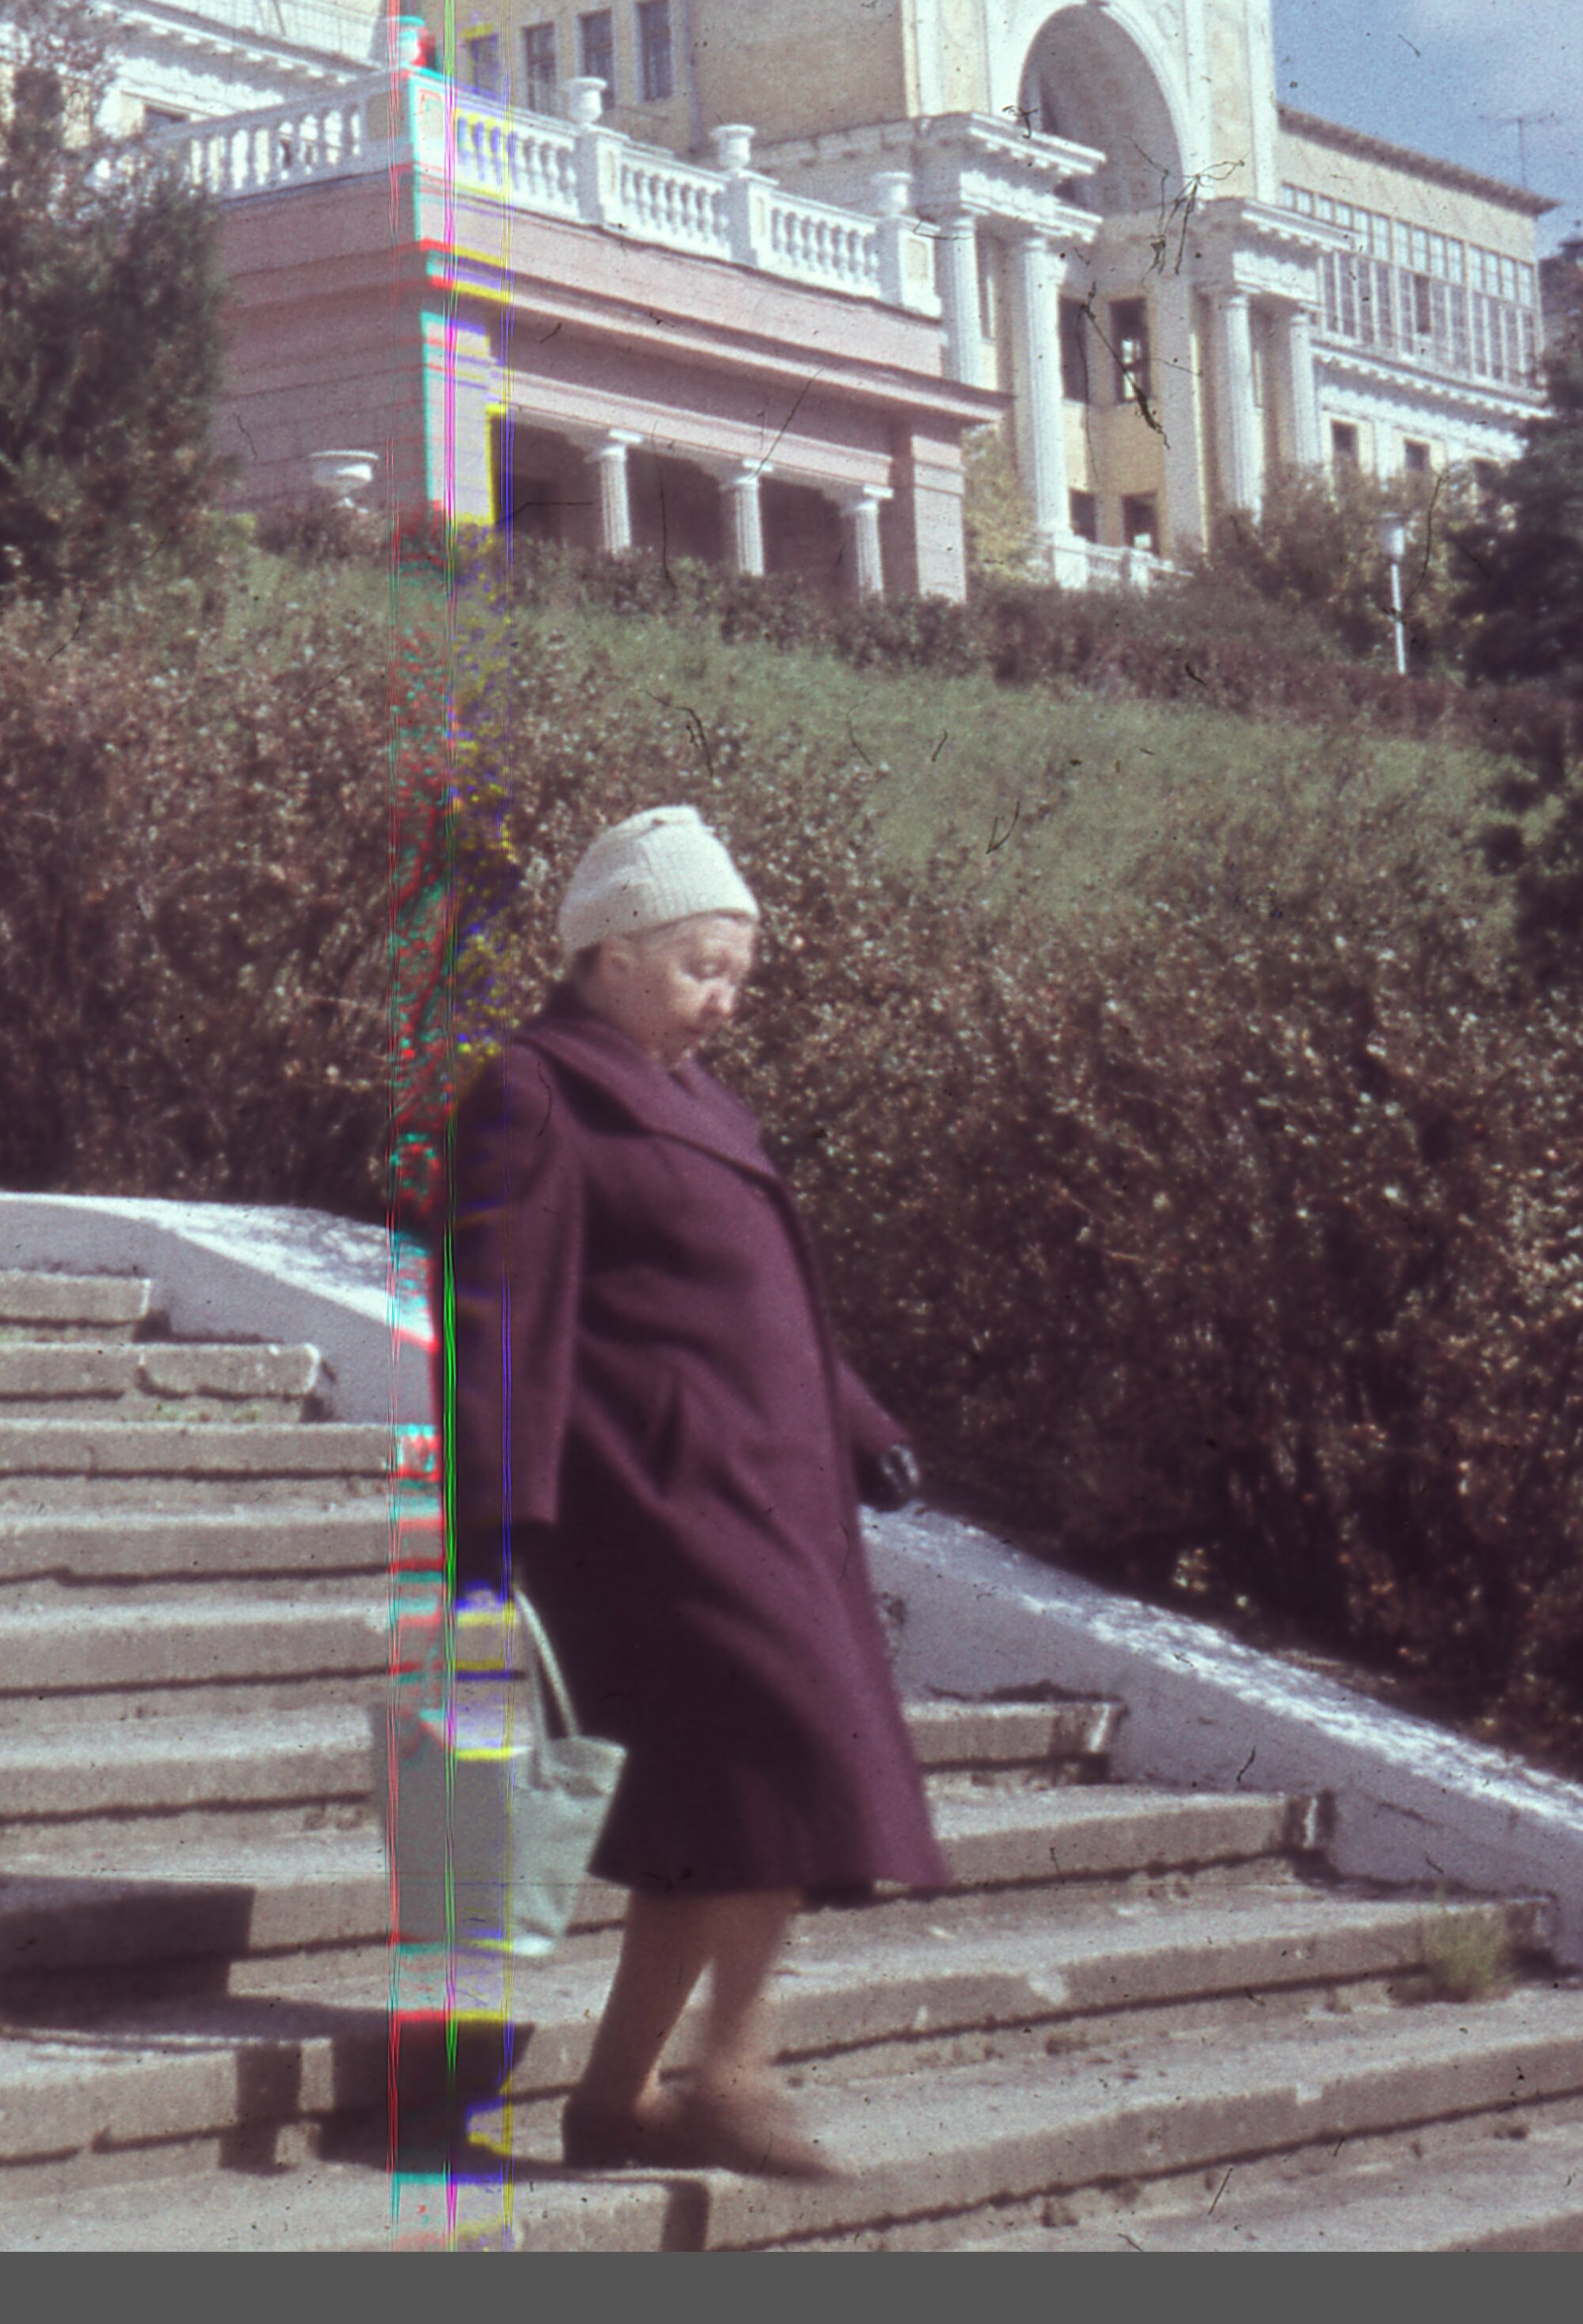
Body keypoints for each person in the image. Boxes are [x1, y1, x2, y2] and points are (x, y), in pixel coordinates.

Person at [438, 804, 942, 2183]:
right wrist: (493, 1527)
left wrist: (858, 1424)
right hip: (646, 1508)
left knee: (721, 1808)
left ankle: (617, 2101)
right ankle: (727, 2070)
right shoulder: (534, 1091)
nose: (724, 998)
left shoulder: (701, 1098)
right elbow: (498, 1316)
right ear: (605, 954)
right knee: (782, 1749)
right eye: (698, 967)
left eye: (735, 972)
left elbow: (756, 1299)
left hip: (763, 1497)